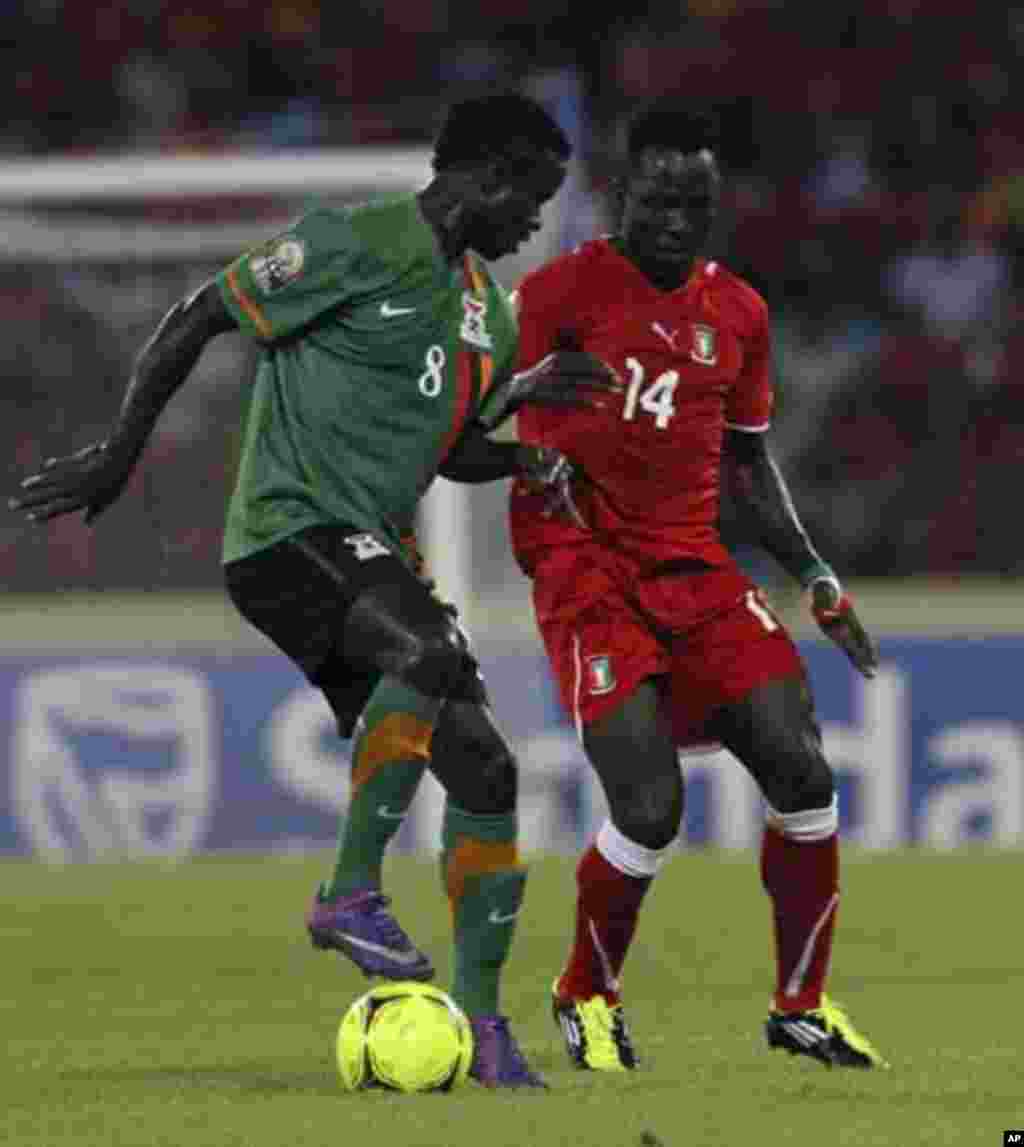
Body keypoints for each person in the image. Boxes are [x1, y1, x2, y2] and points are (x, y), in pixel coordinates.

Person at [9, 92, 617, 1089]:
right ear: (483, 180)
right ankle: (347, 892)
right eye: (533, 199)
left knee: (487, 773)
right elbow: (198, 314)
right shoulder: (352, 241)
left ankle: (485, 1027)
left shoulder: (489, 316)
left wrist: (525, 455)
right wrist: (120, 455)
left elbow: (448, 445)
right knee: (428, 648)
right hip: (286, 532)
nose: (535, 224)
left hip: (368, 555)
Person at [508, 100, 889, 1072]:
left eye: (694, 202)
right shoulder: (561, 291)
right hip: (585, 569)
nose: (676, 219)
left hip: (697, 570)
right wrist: (522, 437)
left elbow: (749, 467)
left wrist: (814, 576)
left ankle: (799, 1005)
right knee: (648, 806)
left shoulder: (739, 313)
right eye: (658, 199)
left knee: (802, 772)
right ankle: (584, 994)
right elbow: (474, 414)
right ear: (621, 191)